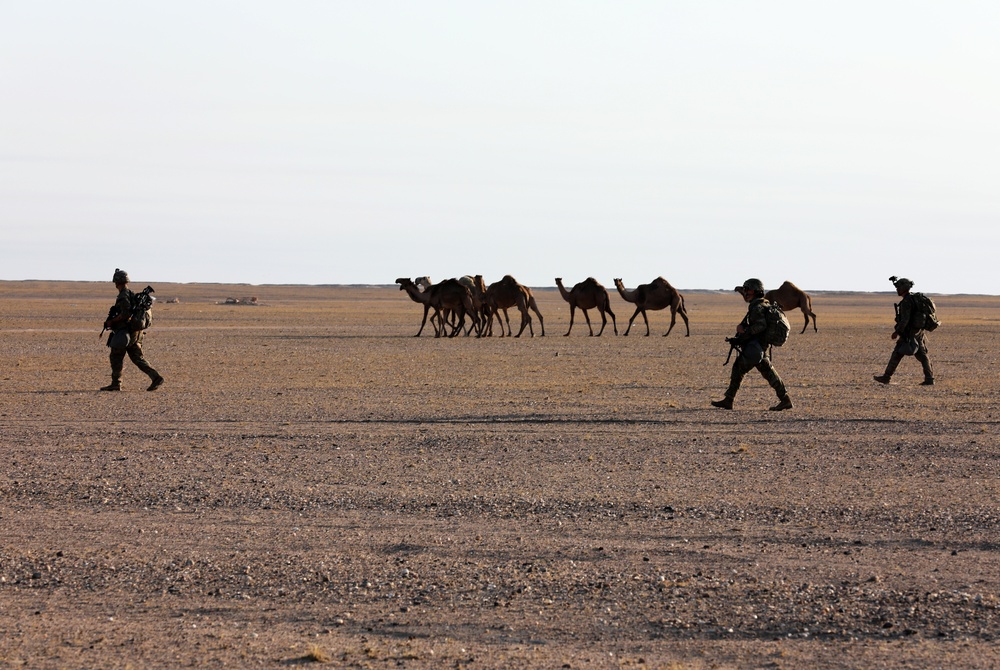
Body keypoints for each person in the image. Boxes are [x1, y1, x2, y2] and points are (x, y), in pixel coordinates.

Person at [711, 278, 793, 411]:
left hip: (756, 348)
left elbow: (760, 325)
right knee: (769, 374)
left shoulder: (757, 307)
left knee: (738, 368)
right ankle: (785, 400)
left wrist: (744, 331)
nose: (745, 292)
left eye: (748, 289)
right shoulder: (763, 305)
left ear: (756, 291)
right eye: (745, 289)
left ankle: (729, 400)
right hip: (760, 347)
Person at [101, 268, 163, 392]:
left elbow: (125, 314)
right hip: (135, 333)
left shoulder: (123, 296)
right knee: (137, 358)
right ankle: (155, 377)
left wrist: (112, 321)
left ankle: (116, 383)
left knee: (116, 356)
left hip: (126, 333)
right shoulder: (130, 293)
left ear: (116, 282)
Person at [873, 276, 934, 385]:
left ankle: (886, 377)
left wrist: (897, 331)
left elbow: (905, 319)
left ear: (903, 288)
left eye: (898, 288)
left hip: (909, 333)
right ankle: (929, 379)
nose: (897, 290)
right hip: (918, 331)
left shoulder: (907, 302)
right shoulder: (914, 299)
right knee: (923, 355)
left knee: (897, 353)